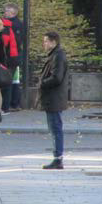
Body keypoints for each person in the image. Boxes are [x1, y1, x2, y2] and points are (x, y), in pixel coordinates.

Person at [39, 31, 69, 169]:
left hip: (54, 98)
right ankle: (57, 157)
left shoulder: (58, 56)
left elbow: (57, 77)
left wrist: (42, 83)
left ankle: (58, 158)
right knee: (54, 128)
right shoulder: (55, 55)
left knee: (56, 128)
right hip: (53, 97)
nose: (44, 44)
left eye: (46, 41)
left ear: (53, 42)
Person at [3, 3, 25, 111]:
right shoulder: (12, 23)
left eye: (7, 11)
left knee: (11, 80)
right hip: (14, 55)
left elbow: (16, 40)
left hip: (13, 56)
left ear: (13, 13)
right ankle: (14, 103)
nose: (5, 12)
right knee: (14, 80)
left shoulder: (14, 24)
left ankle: (13, 102)